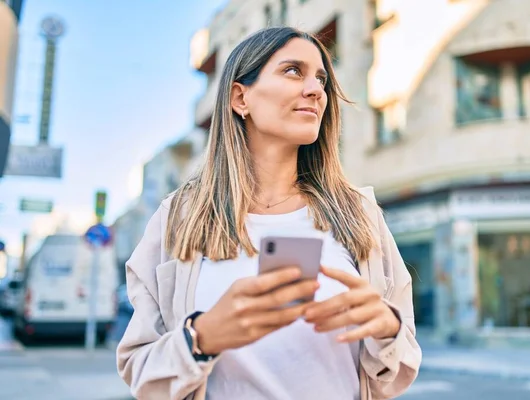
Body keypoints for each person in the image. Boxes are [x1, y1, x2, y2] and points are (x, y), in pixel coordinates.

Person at [117, 26, 421, 400]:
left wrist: (387, 329)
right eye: (293, 71)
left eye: (321, 79)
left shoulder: (359, 213)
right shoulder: (179, 217)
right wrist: (203, 337)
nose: (316, 90)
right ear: (239, 98)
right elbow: (140, 372)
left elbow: (398, 371)